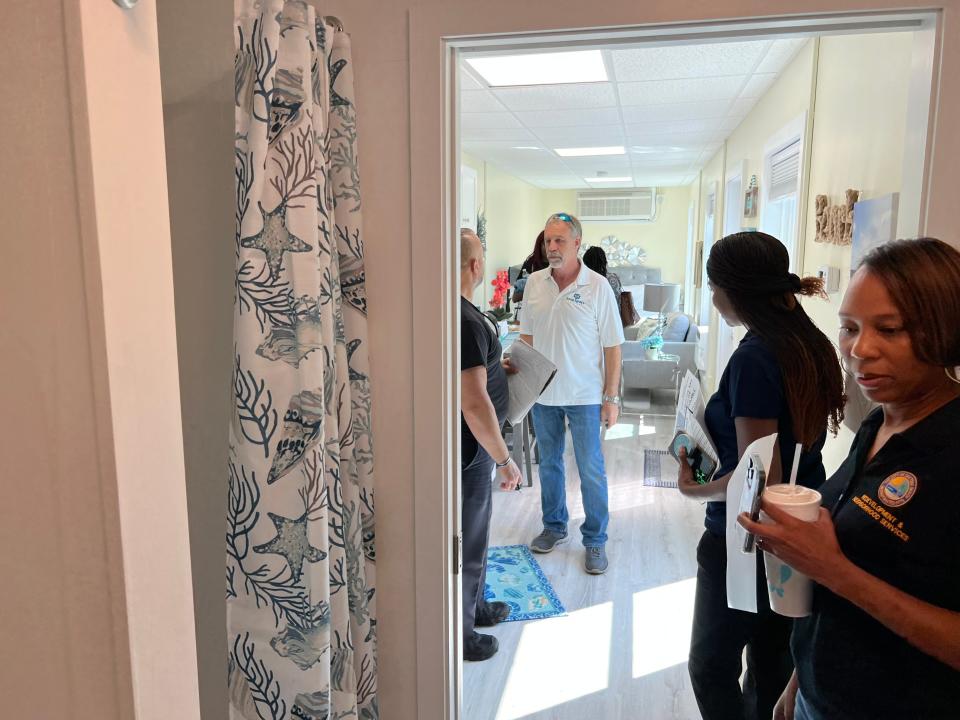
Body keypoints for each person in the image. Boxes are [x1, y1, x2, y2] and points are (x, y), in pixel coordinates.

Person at [740, 237, 960, 720]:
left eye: (890, 329)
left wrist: (833, 570)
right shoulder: (881, 423)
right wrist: (799, 678)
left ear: (945, 329)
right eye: (849, 328)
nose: (860, 350)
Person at [677, 231, 845, 720]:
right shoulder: (807, 340)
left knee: (710, 665)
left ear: (734, 289)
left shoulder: (754, 358)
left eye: (714, 286)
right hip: (801, 523)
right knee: (772, 662)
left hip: (745, 539)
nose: (712, 298)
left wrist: (692, 489)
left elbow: (756, 483)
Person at [519, 212, 624, 574]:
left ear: (577, 243)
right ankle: (554, 526)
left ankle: (595, 540)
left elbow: (612, 346)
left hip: (585, 395)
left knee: (591, 469)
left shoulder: (598, 287)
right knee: (548, 464)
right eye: (548, 240)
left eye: (560, 240)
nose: (551, 247)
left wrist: (611, 398)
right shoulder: (534, 283)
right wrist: (524, 385)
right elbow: (526, 338)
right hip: (543, 395)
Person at [459, 228, 523, 662]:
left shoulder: (464, 315)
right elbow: (473, 401)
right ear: (475, 265)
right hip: (474, 449)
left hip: (476, 447)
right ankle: (463, 633)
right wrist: (504, 459)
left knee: (477, 536)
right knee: (468, 536)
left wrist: (494, 364)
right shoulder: (463, 320)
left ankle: (477, 605)